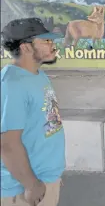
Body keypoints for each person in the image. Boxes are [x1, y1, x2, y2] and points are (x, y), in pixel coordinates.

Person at [1, 17, 65, 206]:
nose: (52, 45)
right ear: (26, 47)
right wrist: (32, 184)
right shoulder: (11, 84)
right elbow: (7, 144)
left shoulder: (38, 75)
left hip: (45, 178)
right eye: (46, 41)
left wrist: (53, 174)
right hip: (23, 190)